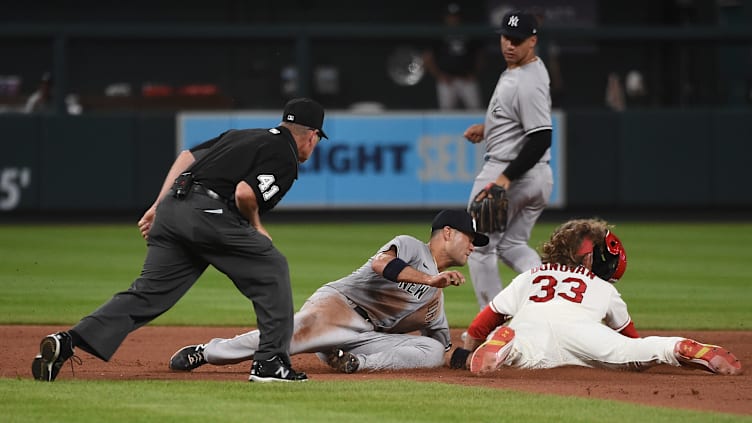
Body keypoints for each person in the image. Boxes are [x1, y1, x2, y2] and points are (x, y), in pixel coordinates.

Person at [31, 97, 329, 383]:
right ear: (312, 136)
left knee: (149, 293)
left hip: (174, 209)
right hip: (208, 214)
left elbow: (187, 157)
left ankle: (68, 341)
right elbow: (244, 193)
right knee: (272, 266)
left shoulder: (241, 135)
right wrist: (256, 225)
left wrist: (157, 206)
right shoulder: (285, 156)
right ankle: (270, 364)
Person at [167, 209, 488, 374]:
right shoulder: (411, 246)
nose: (473, 245)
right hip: (339, 308)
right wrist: (430, 280)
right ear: (447, 232)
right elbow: (380, 264)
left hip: (364, 339)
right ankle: (209, 351)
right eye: (470, 237)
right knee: (284, 340)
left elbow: (443, 348)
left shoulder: (435, 297)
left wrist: (478, 358)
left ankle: (354, 364)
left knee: (430, 352)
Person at [447, 218, 743, 376]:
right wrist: (641, 350)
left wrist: (471, 350)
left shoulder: (531, 276)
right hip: (584, 334)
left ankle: (506, 345)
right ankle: (676, 346)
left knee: (519, 351)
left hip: (529, 329)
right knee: (636, 354)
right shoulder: (604, 289)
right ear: (587, 259)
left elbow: (481, 323)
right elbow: (631, 338)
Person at [463, 10, 553, 309]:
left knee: (478, 248)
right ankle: (549, 299)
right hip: (538, 178)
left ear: (533, 41)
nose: (509, 45)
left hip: (509, 170)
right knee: (512, 245)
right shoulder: (529, 70)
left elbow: (541, 137)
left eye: (517, 40)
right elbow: (518, 119)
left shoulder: (525, 82)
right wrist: (487, 128)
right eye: (505, 38)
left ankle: (491, 326)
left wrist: (503, 179)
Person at [423, 3, 484, 110]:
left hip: (466, 79)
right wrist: (439, 75)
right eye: (450, 16)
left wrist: (474, 73)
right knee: (446, 113)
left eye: (456, 16)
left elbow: (480, 54)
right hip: (447, 80)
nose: (453, 19)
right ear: (446, 17)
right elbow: (427, 57)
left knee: (476, 109)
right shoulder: (438, 33)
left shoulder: (470, 32)